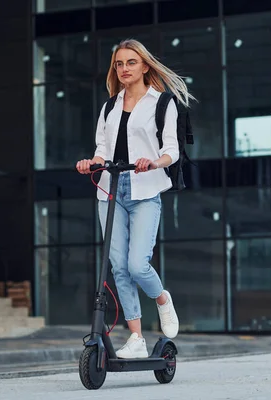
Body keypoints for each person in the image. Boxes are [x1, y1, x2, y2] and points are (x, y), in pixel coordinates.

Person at [76, 39, 195, 359]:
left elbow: (171, 148)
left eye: (130, 62)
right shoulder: (109, 107)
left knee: (137, 265)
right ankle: (136, 337)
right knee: (118, 267)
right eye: (118, 64)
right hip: (110, 188)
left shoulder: (163, 103)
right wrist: (91, 162)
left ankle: (161, 299)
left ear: (144, 66)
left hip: (144, 190)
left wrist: (155, 162)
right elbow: (102, 149)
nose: (124, 69)